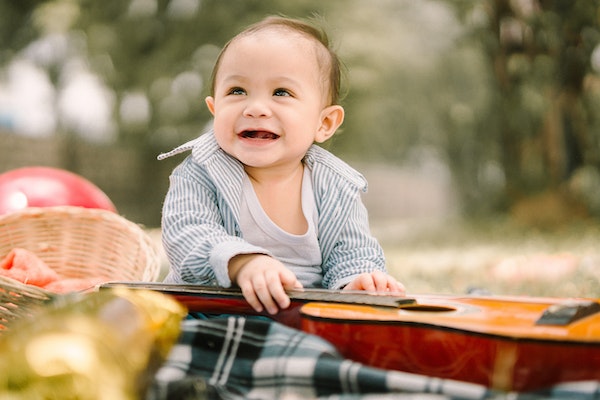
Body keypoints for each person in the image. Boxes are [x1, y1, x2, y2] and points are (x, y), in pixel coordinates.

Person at [159, 15, 405, 315]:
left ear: (324, 123)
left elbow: (352, 251)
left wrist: (356, 281)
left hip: (301, 319)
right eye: (237, 91)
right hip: (210, 312)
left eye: (281, 93)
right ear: (214, 108)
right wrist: (241, 261)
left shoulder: (336, 188)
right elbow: (187, 232)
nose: (256, 108)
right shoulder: (200, 172)